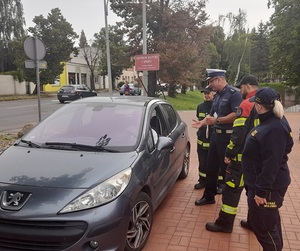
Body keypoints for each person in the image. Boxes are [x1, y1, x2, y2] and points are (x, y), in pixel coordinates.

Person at [205, 74, 259, 233]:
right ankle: (253, 222)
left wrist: (229, 153)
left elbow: (238, 133)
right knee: (253, 190)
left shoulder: (247, 104)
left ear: (248, 86)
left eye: (242, 87)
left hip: (243, 157)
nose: (240, 90)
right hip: (259, 158)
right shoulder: (269, 102)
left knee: (231, 190)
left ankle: (225, 223)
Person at [242, 87, 294, 250]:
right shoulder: (273, 120)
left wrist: (261, 192)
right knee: (270, 224)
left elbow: (272, 164)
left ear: (259, 106)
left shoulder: (274, 128)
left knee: (265, 229)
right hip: (263, 184)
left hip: (267, 189)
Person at [192, 69, 242, 206]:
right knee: (211, 168)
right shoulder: (218, 96)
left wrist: (218, 121)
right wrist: (202, 123)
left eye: (211, 81)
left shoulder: (234, 94)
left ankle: (228, 201)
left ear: (219, 79)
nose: (210, 85)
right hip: (215, 136)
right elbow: (212, 114)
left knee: (226, 171)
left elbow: (236, 114)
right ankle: (209, 196)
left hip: (227, 137)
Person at [194, 85, 215, 190]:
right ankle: (202, 181)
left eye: (208, 93)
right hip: (201, 141)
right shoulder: (200, 107)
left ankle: (219, 184)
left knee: (216, 163)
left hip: (213, 141)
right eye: (205, 93)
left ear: (214, 94)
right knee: (202, 162)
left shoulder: (217, 106)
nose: (206, 95)